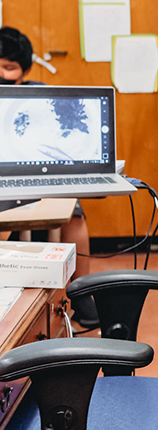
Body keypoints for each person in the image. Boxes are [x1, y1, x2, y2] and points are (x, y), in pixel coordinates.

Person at [0, 27, 96, 326]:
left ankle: (82, 293)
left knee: (73, 211)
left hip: (33, 171)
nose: (1, 73)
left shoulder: (36, 94)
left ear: (25, 69)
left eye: (8, 67)